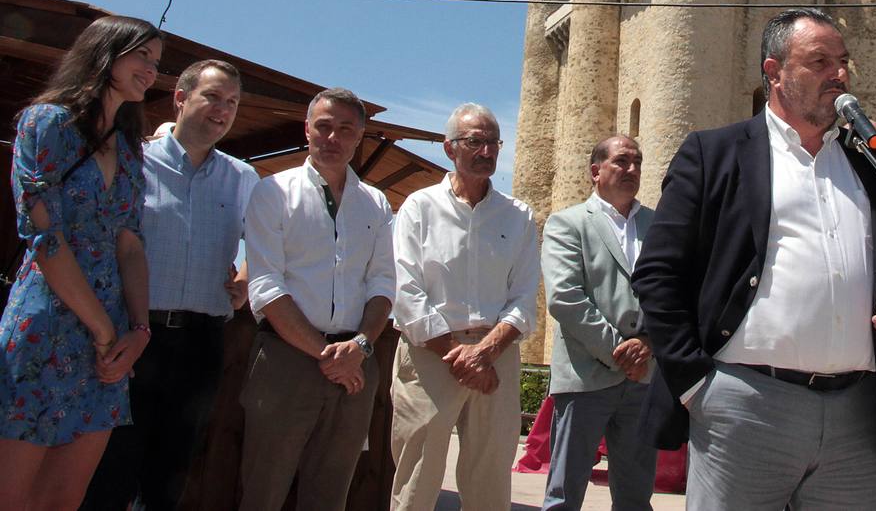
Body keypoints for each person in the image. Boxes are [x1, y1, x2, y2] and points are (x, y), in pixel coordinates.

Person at [632, 7, 876, 511]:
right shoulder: (716, 154)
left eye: (843, 61)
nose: (838, 74)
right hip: (744, 407)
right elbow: (658, 273)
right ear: (774, 72)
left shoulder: (872, 159)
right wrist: (697, 386)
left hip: (860, 415)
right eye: (819, 61)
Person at [81, 59, 259, 511]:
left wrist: (242, 281)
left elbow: (264, 248)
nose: (223, 110)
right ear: (180, 98)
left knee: (171, 471)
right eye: (213, 97)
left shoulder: (243, 178)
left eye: (233, 103)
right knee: (110, 468)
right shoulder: (133, 160)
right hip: (133, 335)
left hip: (202, 341)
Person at [0, 15, 161, 510]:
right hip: (47, 322)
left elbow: (130, 244)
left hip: (110, 337)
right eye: (142, 56)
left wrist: (139, 330)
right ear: (105, 53)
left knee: (64, 499)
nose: (152, 70)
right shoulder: (46, 123)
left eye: (157, 63)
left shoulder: (132, 148)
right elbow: (45, 239)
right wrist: (105, 332)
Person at [239, 87, 395, 511]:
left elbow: (383, 284)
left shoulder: (375, 203)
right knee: (263, 488)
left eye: (345, 129)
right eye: (323, 126)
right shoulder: (273, 192)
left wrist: (359, 346)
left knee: (331, 491)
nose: (333, 137)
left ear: (359, 136)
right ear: (306, 129)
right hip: (286, 361)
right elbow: (267, 285)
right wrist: (328, 355)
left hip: (356, 361)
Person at [390, 103, 540, 511]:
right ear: (449, 148)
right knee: (416, 479)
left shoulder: (519, 215)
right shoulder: (418, 208)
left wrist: (485, 353)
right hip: (428, 355)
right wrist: (458, 356)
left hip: (497, 358)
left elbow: (525, 297)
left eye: (493, 142)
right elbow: (405, 289)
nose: (487, 150)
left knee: (490, 481)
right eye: (475, 141)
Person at [541, 134, 657, 511]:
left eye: (637, 162)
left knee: (636, 496)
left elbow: (676, 292)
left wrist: (649, 343)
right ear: (596, 171)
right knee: (564, 493)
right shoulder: (567, 224)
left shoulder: (659, 226)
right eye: (622, 161)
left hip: (643, 378)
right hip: (585, 376)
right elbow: (565, 297)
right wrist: (618, 351)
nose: (632, 169)